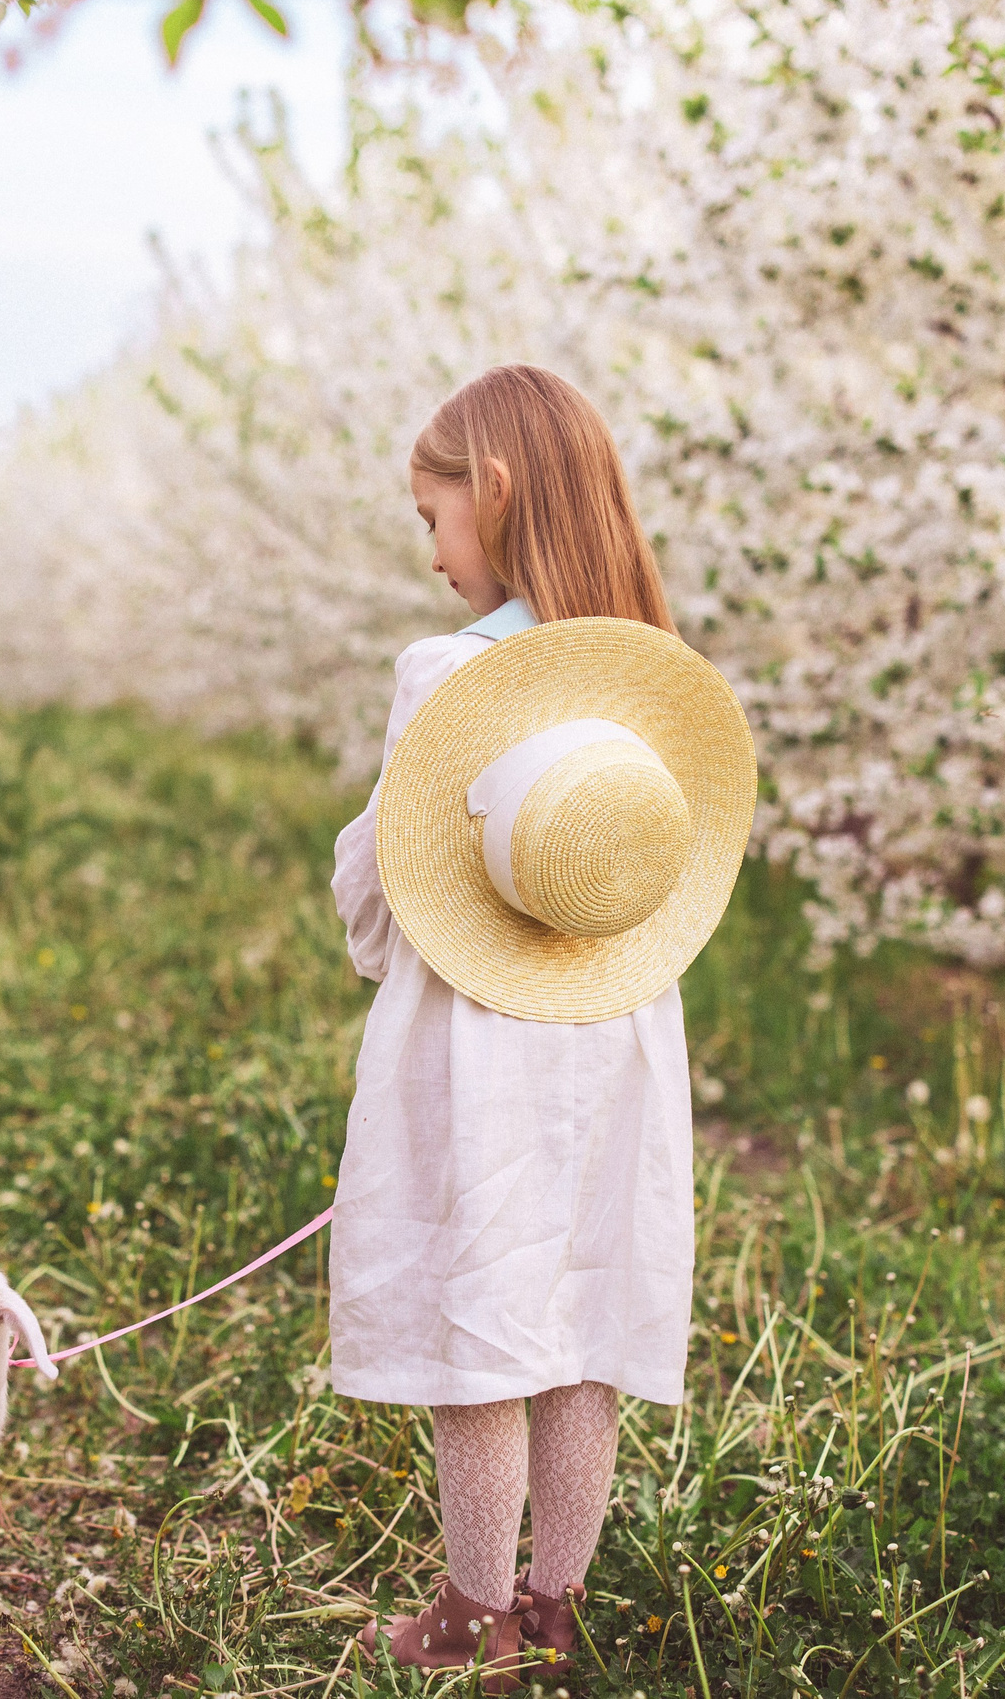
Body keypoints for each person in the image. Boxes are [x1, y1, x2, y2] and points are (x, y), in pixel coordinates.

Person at [329, 364, 754, 1690]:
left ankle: (471, 1611)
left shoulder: (446, 675)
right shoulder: (652, 683)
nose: (432, 549)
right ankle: (558, 1603)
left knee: (487, 1310)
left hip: (484, 1031)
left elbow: (383, 889)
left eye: (431, 514)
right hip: (618, 1025)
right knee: (583, 1306)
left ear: (493, 493)